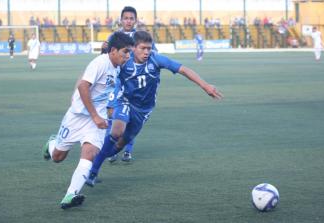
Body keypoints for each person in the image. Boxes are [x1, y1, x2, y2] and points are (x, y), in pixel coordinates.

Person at [85, 31, 223, 186]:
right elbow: (109, 73)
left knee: (116, 147)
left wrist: (205, 86)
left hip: (144, 110)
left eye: (149, 48)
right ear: (133, 48)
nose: (146, 52)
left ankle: (94, 156)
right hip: (125, 101)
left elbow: (183, 69)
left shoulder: (156, 59)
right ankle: (92, 172)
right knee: (116, 131)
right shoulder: (125, 61)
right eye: (143, 48)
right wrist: (110, 101)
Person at [41, 32, 134, 209]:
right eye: (125, 52)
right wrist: (95, 116)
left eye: (129, 53)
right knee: (57, 157)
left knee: (90, 153)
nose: (127, 56)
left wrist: (103, 114)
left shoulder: (117, 67)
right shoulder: (100, 63)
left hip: (95, 121)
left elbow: (106, 92)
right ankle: (51, 143)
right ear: (113, 51)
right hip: (77, 117)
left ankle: (70, 194)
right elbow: (83, 86)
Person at [105, 6, 157, 163]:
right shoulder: (115, 36)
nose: (128, 21)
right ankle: (111, 151)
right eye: (125, 18)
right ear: (121, 20)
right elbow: (108, 56)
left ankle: (127, 150)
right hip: (118, 81)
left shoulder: (140, 36)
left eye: (131, 18)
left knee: (132, 119)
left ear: (135, 20)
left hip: (135, 83)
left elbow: (153, 54)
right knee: (112, 115)